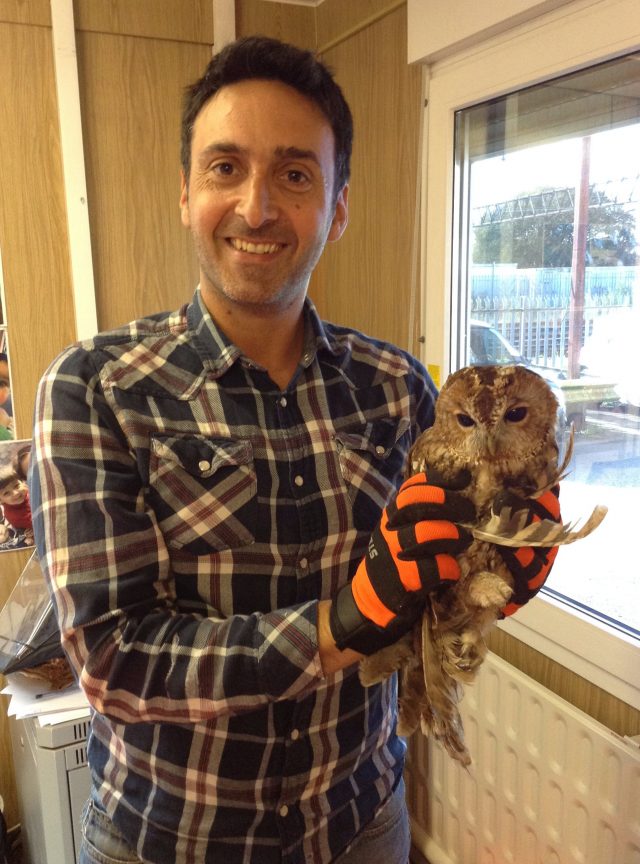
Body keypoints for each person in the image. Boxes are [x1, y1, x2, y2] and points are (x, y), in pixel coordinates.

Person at [30, 36, 560, 864]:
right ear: (184, 193)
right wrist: (338, 624)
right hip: (169, 840)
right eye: (224, 168)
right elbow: (112, 661)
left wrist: (494, 573)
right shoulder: (93, 388)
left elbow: (426, 584)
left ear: (337, 207)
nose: (255, 207)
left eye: (294, 174)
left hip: (363, 821)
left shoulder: (397, 387)